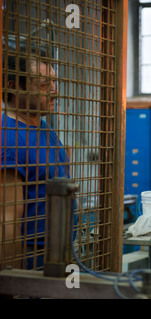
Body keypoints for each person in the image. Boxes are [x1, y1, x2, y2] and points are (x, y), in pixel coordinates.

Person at [1, 53, 72, 270]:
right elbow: (7, 219)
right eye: (43, 85)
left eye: (53, 82)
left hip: (59, 256)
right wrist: (15, 283)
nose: (54, 91)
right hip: (31, 264)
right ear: (14, 86)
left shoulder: (44, 128)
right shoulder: (9, 139)